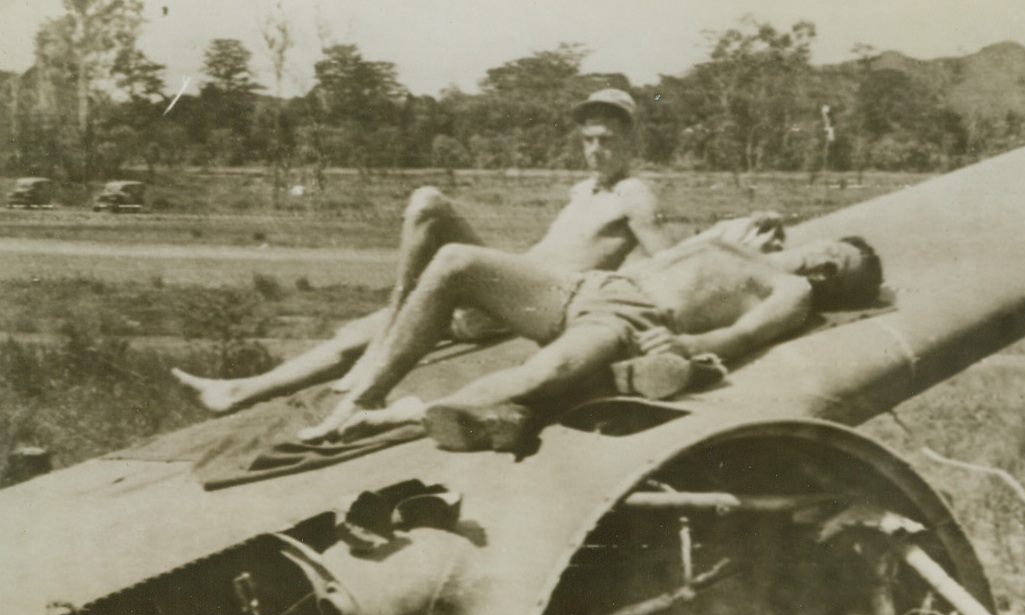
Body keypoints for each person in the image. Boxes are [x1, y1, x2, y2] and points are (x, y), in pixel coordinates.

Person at [172, 88, 669, 415]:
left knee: (430, 204)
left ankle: (387, 339)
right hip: (507, 293)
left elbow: (667, 263)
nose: (596, 150)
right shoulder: (583, 192)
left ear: (631, 139)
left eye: (607, 139)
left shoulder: (635, 194)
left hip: (544, 303)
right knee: (360, 331)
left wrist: (638, 318)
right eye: (588, 140)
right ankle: (237, 391)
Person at [298, 233, 882, 444]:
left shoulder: (793, 289)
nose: (829, 264)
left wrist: (685, 350)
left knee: (541, 377)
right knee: (454, 261)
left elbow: (745, 331)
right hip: (590, 286)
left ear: (832, 291)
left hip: (630, 318)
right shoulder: (754, 243)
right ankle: (362, 398)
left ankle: (401, 417)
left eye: (841, 272)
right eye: (838, 250)